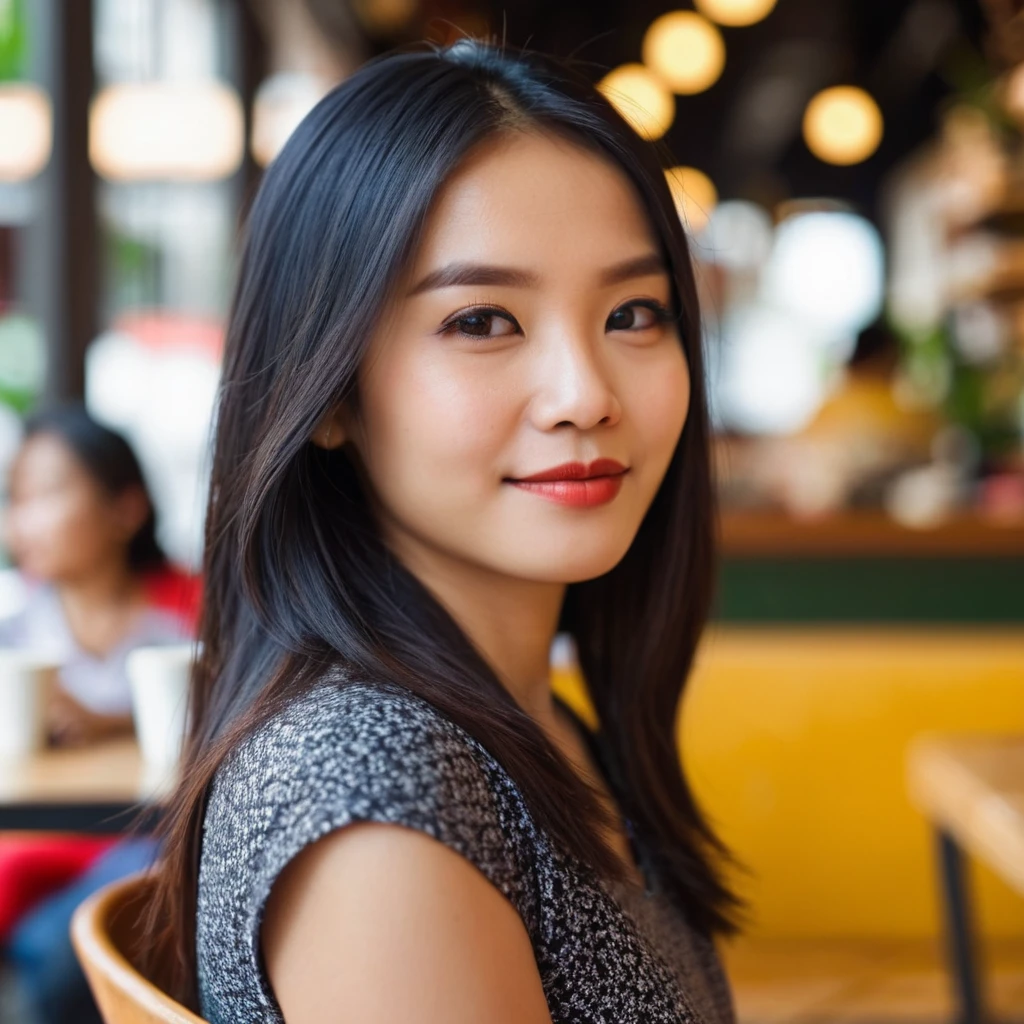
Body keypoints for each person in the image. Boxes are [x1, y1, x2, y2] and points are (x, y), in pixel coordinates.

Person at [151, 40, 743, 1024]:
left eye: (633, 312)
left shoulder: (519, 717)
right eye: (481, 321)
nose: (584, 394)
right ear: (328, 390)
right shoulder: (378, 801)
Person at [0, 405, 197, 1024]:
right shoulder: (17, 626)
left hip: (146, 834)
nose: (22, 520)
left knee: (59, 954)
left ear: (125, 509)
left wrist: (110, 721)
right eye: (15, 497)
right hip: (35, 838)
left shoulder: (191, 610)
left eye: (48, 492)